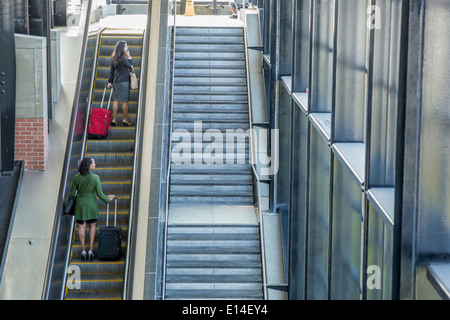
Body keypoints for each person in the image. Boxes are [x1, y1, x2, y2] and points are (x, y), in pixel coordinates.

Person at [69, 157, 115, 260]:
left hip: (80, 204)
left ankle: (83, 250)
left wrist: (68, 206)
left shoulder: (77, 177)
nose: (95, 164)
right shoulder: (96, 178)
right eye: (94, 163)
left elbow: (72, 194)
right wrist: (108, 199)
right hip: (91, 204)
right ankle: (90, 249)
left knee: (81, 227)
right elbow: (99, 194)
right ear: (89, 165)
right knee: (92, 225)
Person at [107, 40, 134, 126]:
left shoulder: (114, 57)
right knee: (124, 101)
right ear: (122, 48)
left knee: (116, 100)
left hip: (116, 81)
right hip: (124, 81)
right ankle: (125, 119)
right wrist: (129, 57)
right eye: (126, 46)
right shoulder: (123, 58)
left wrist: (110, 82)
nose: (127, 48)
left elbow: (112, 70)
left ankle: (114, 119)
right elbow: (131, 67)